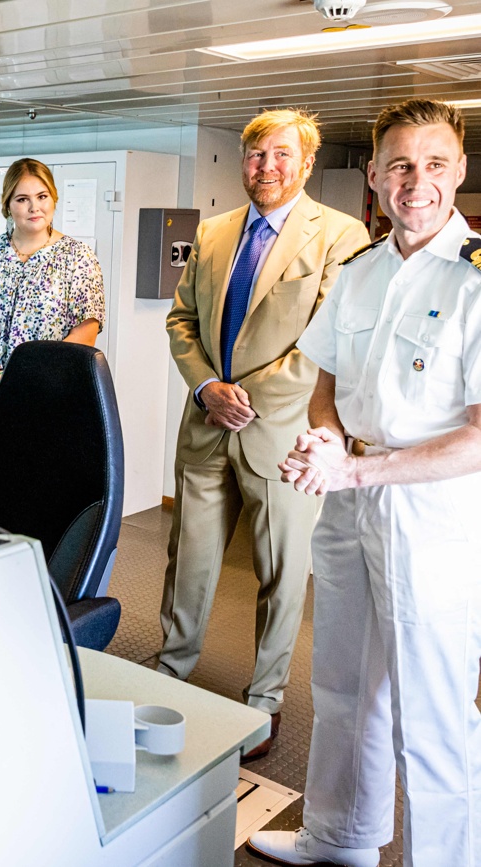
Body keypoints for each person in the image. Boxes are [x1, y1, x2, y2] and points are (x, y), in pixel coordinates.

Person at [249, 99, 481, 867]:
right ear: (376, 176)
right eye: (401, 165)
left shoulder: (477, 281)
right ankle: (341, 835)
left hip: (432, 513)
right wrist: (325, 439)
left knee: (432, 713)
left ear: (459, 171)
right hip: (349, 500)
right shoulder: (360, 270)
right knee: (345, 686)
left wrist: (354, 463)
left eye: (435, 163)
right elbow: (327, 379)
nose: (417, 181)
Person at [159, 108, 368, 760]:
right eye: (255, 156)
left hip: (281, 434)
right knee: (186, 562)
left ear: (306, 164)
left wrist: (244, 398)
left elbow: (328, 341)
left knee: (283, 572)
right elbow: (181, 320)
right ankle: (170, 668)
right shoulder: (214, 230)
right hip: (205, 425)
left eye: (281, 155)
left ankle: (265, 698)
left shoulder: (342, 233)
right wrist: (205, 389)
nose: (266, 168)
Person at [0, 158, 105, 439]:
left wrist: (32, 379)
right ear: (8, 206)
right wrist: (0, 377)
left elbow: (87, 330)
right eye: (23, 199)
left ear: (54, 199)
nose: (34, 207)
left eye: (42, 196)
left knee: (41, 482)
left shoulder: (78, 257)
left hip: (50, 397)